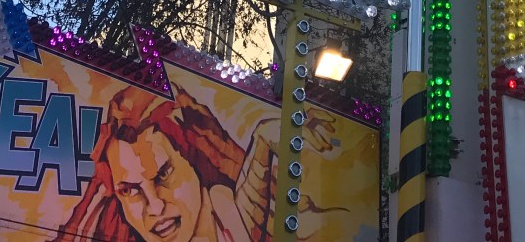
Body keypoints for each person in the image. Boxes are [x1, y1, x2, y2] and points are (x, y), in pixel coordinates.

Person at [54, 84, 349, 242]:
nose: (154, 207)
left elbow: (248, 209)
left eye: (164, 174)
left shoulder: (228, 212)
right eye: (129, 190)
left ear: (195, 163)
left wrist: (266, 139)